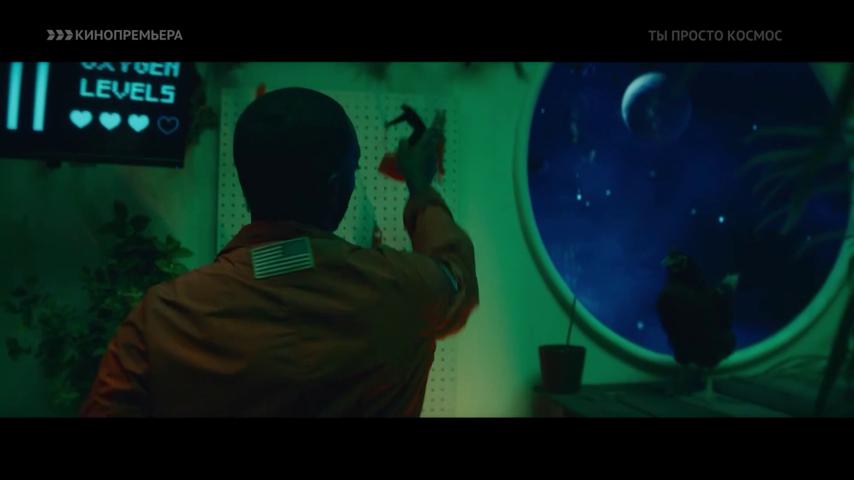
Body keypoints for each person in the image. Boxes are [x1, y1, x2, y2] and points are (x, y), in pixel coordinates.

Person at [81, 87, 478, 416]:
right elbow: (455, 271)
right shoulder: (406, 290)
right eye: (354, 169)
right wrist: (419, 186)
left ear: (245, 180)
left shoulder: (162, 318)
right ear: (337, 184)